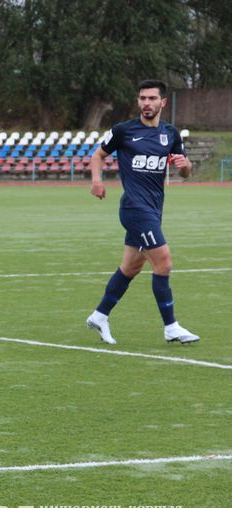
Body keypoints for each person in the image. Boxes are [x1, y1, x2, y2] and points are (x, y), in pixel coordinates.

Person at [86, 79, 197, 345]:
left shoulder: (171, 134)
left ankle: (100, 316)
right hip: (134, 209)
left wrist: (184, 165)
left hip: (154, 209)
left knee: (131, 267)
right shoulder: (124, 130)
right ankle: (171, 327)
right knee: (164, 262)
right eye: (142, 98)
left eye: (151, 98)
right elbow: (97, 156)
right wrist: (97, 181)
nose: (146, 103)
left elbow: (185, 171)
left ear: (163, 102)